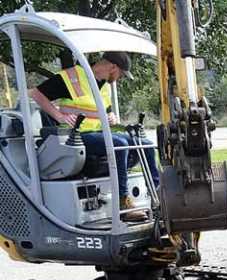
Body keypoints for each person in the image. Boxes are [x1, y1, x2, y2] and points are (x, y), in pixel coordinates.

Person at [30, 52, 158, 222]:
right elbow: (36, 94)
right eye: (120, 73)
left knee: (145, 143)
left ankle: (157, 194)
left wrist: (111, 117)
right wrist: (59, 116)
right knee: (118, 143)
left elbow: (104, 112)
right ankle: (123, 202)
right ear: (113, 67)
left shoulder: (104, 86)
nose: (120, 78)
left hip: (99, 135)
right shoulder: (71, 77)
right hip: (75, 137)